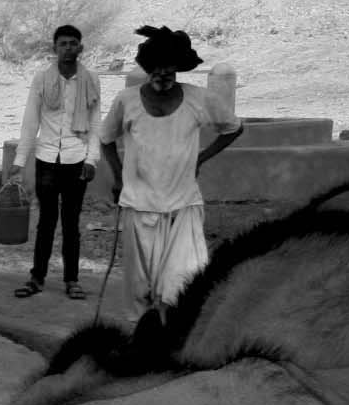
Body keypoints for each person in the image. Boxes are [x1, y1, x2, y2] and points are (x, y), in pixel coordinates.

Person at [99, 25, 243, 322]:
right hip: (138, 207)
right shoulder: (126, 100)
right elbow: (106, 139)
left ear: (178, 68)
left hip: (183, 206)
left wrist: (202, 157)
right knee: (141, 290)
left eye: (169, 68)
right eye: (156, 68)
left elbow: (233, 128)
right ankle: (143, 344)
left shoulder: (200, 99)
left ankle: (174, 342)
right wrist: (117, 176)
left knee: (183, 282)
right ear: (147, 68)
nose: (162, 74)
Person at [10, 24, 101, 301]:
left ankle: (72, 280)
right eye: (63, 43)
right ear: (54, 48)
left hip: (76, 158)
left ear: (80, 48)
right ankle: (36, 278)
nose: (68, 48)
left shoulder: (91, 79)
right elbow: (31, 121)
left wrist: (92, 159)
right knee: (46, 221)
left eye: (73, 43)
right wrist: (19, 160)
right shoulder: (41, 79)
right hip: (47, 158)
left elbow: (96, 122)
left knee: (71, 223)